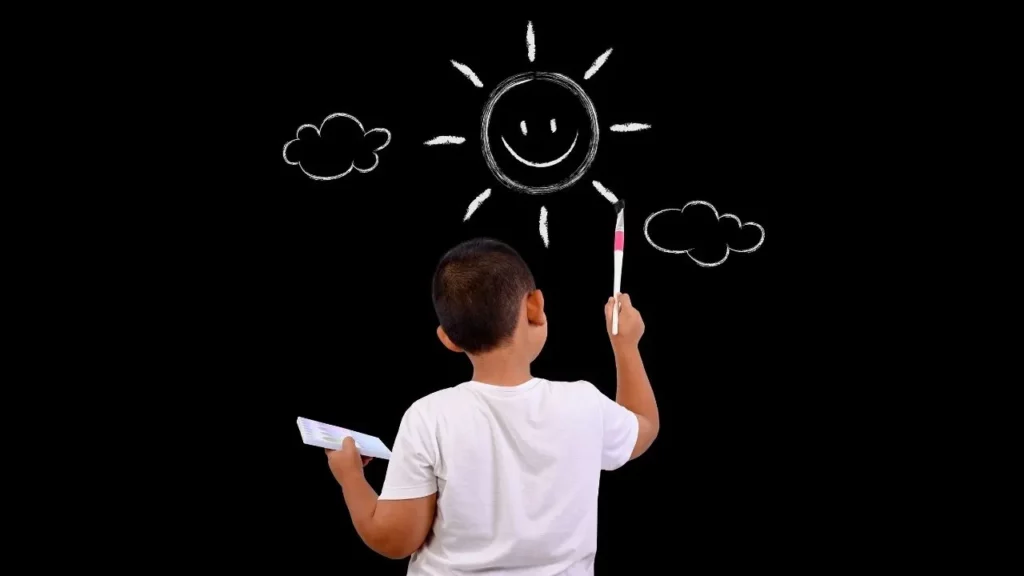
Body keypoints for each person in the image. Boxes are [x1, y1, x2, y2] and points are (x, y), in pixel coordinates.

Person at [325, 238, 659, 575]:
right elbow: (642, 425)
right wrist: (625, 344)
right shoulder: (584, 404)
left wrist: (351, 476)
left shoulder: (429, 417)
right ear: (536, 306)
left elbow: (395, 539)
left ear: (448, 339)